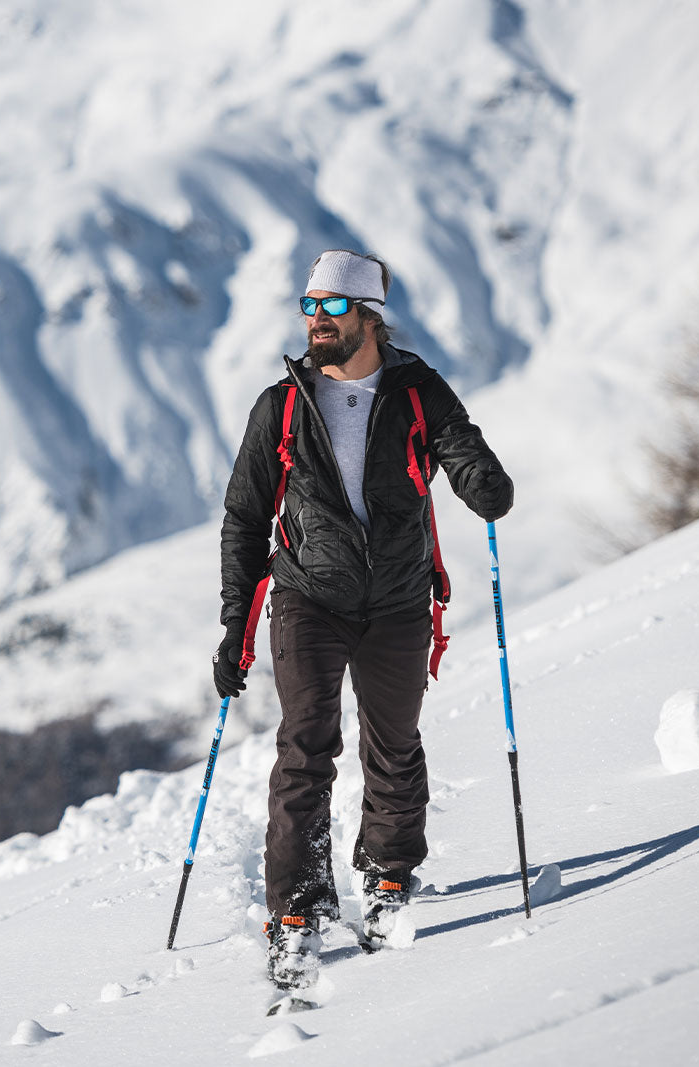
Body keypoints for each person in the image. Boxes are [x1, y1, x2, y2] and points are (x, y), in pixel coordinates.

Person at [214, 249, 513, 992]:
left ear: (369, 316)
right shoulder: (280, 405)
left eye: (333, 307)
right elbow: (245, 518)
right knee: (305, 749)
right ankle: (295, 913)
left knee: (395, 742)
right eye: (309, 306)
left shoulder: (418, 393)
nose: (317, 320)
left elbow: (461, 446)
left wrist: (481, 479)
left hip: (399, 599)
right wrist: (233, 627)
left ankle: (388, 874)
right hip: (309, 597)